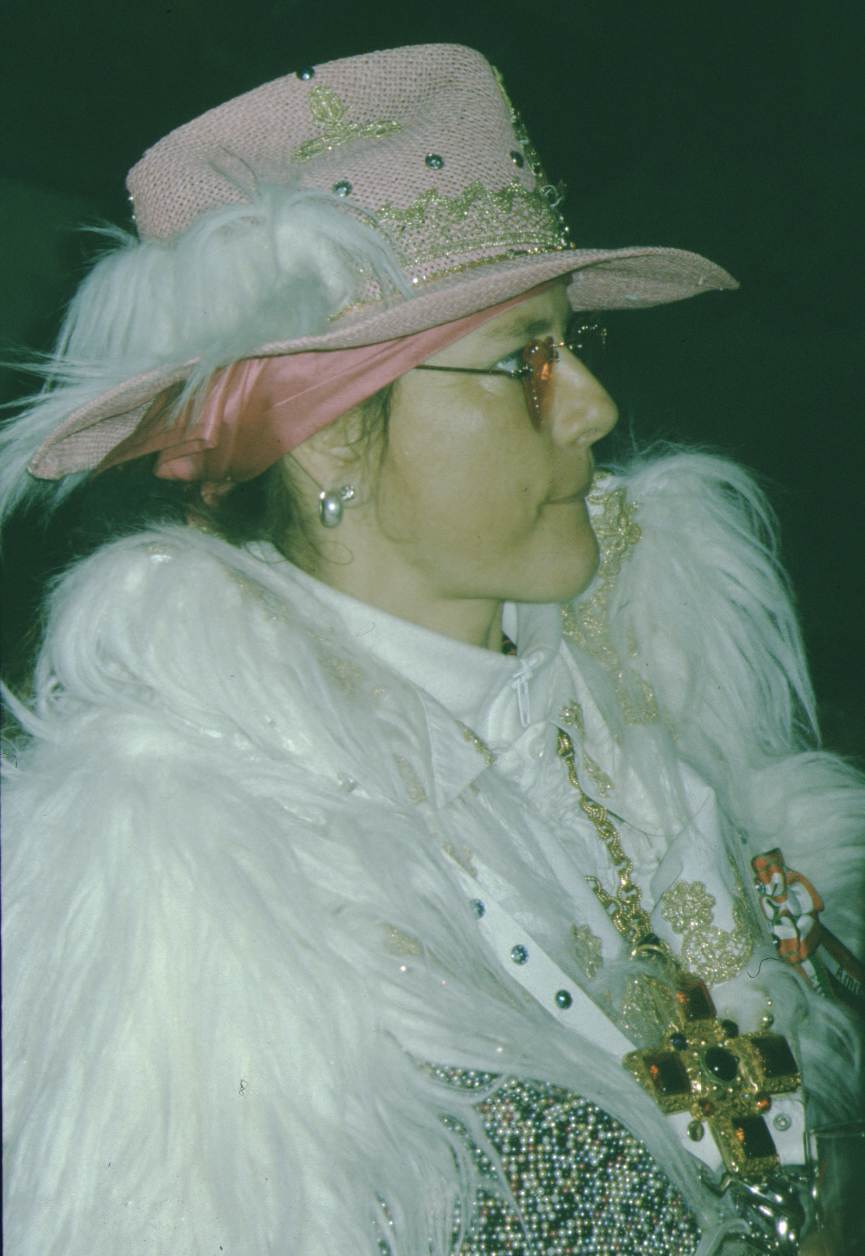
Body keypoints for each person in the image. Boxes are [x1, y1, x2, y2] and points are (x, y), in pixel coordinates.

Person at [1, 43, 862, 1256]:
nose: (593, 407)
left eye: (576, 344)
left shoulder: (661, 709)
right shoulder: (184, 866)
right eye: (523, 362)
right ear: (326, 436)